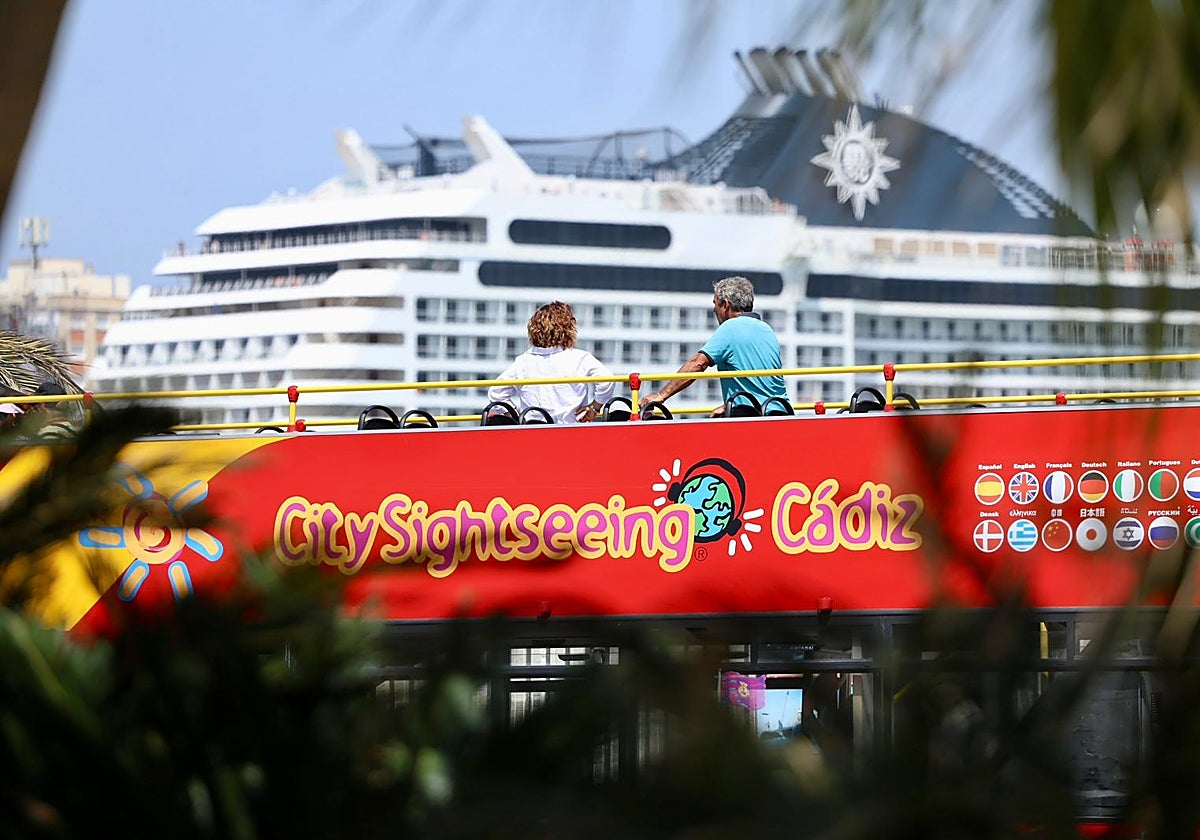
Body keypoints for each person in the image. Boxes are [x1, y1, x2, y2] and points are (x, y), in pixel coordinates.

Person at [643, 276, 787, 416]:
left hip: (752, 417)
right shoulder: (766, 329)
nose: (714, 310)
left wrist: (661, 395)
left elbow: (698, 364)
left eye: (715, 303)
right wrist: (727, 406)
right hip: (780, 412)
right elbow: (761, 382)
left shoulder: (730, 327)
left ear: (725, 305)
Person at [488, 301, 616, 424]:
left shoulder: (522, 362)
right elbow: (607, 381)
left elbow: (496, 392)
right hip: (571, 430)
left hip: (534, 431)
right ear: (568, 330)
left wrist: (515, 413)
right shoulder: (579, 358)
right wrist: (594, 408)